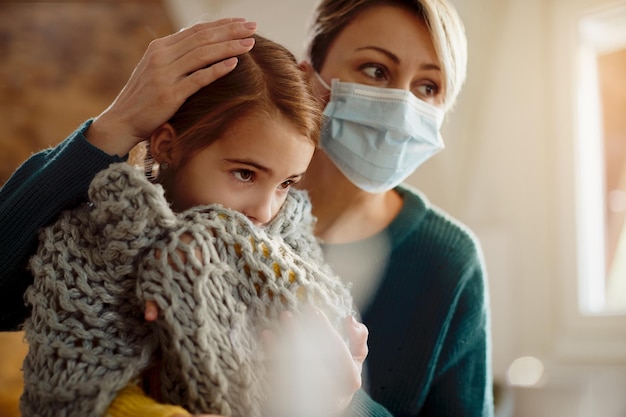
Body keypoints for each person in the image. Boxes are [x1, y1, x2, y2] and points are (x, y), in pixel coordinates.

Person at [1, 0, 494, 414]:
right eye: (375, 69)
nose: (401, 106)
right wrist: (110, 130)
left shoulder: (447, 263)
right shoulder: (122, 230)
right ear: (310, 80)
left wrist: (343, 405)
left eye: (429, 86)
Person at [18, 33, 363, 417]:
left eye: (286, 183)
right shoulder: (93, 243)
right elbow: (68, 390)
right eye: (245, 174)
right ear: (168, 145)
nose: (266, 210)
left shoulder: (288, 245)